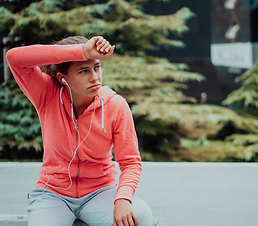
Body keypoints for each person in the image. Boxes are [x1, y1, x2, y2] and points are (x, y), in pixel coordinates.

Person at [6, 36, 153, 226]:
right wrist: (82, 51)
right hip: (53, 194)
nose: (94, 77)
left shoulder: (115, 105)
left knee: (139, 217)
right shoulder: (46, 94)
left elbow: (130, 162)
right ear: (62, 78)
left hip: (100, 192)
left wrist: (123, 198)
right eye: (84, 70)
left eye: (97, 67)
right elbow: (14, 58)